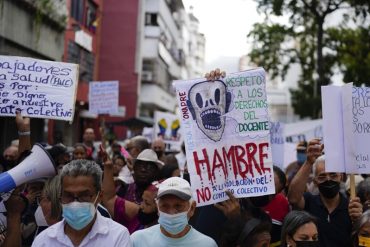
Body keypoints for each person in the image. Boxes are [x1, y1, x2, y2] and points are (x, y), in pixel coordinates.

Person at [32, 159, 132, 247]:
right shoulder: (44, 240)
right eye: (68, 196)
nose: (75, 203)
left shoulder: (117, 235)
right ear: (60, 197)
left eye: (84, 196)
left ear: (99, 197)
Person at [288, 138, 363, 247]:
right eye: (322, 176)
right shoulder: (309, 202)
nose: (328, 179)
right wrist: (309, 162)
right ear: (315, 181)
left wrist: (359, 221)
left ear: (341, 177)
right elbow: (293, 198)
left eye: (333, 175)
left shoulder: (351, 208)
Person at [131, 177, 217, 247]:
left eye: (178, 206)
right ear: (158, 208)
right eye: (165, 206)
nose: (171, 213)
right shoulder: (138, 240)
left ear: (191, 209)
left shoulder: (207, 244)